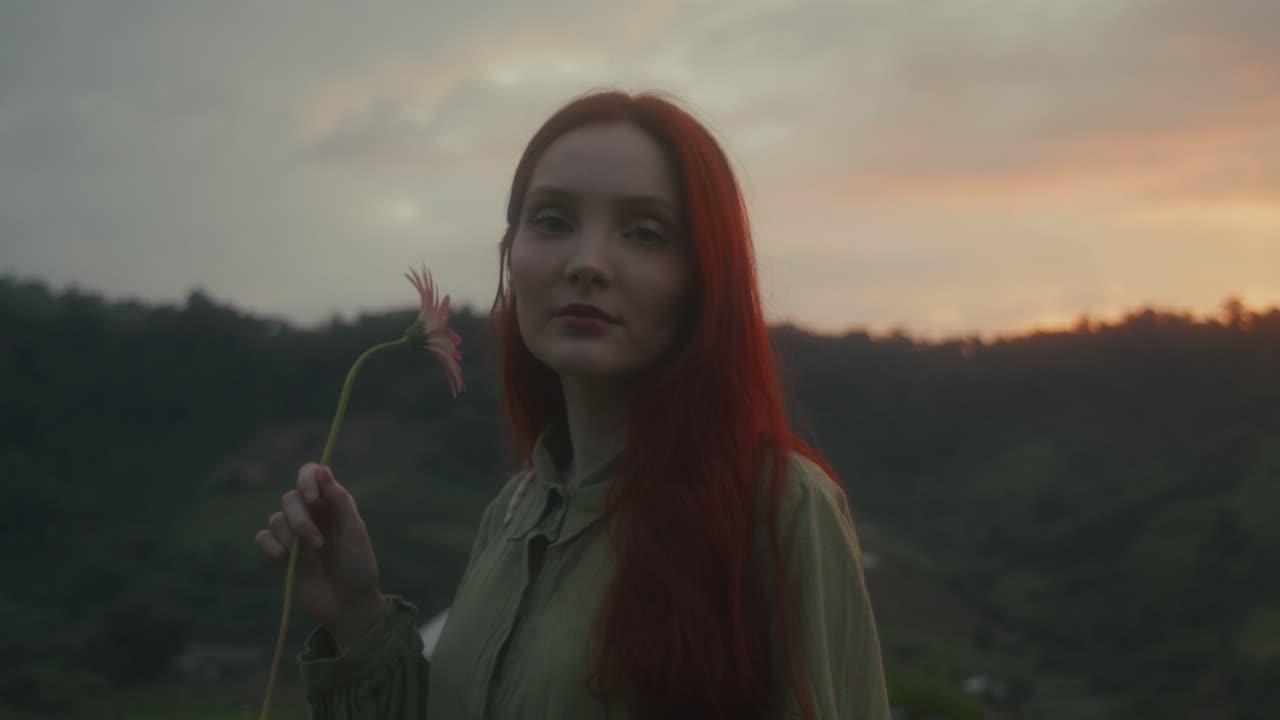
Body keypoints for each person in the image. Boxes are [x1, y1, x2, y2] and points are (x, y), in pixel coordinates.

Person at [255, 89, 891, 719]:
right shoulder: (513, 512)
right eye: (553, 222)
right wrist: (357, 615)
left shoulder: (780, 508)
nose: (588, 263)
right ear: (511, 255)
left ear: (706, 276)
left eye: (645, 233)